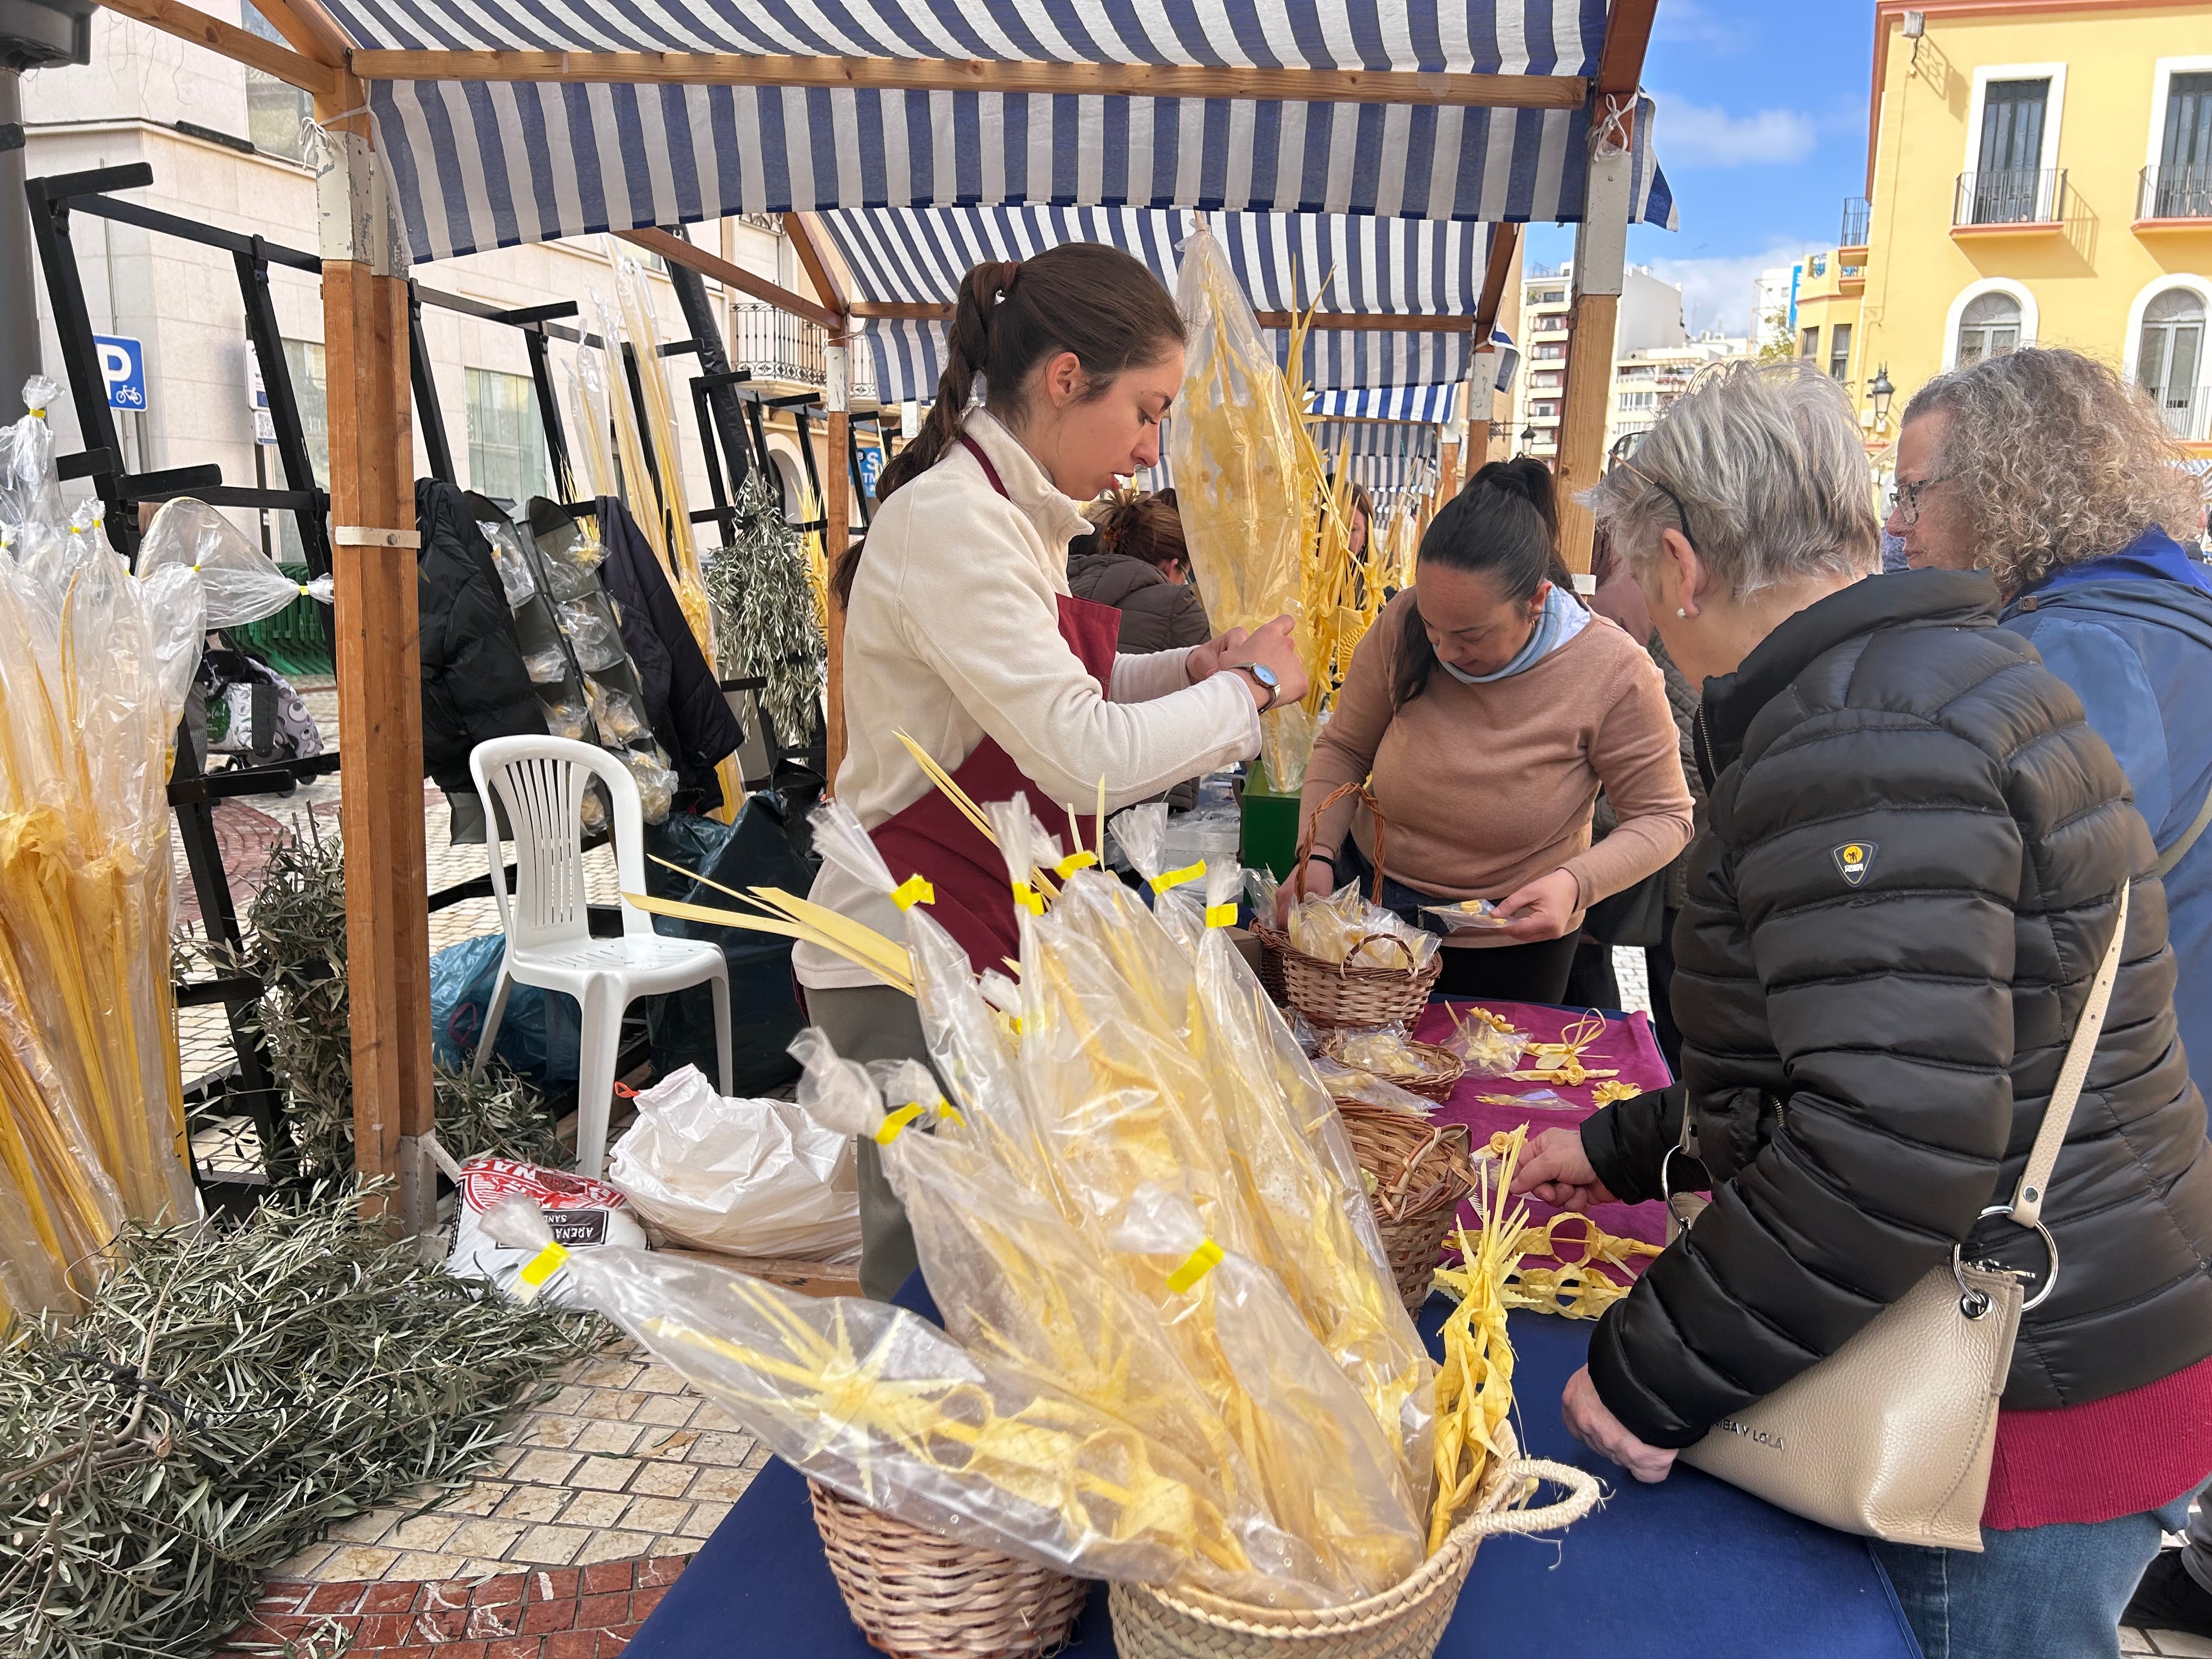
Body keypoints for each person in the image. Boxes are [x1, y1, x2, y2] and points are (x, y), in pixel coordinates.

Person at [1512, 360, 2212, 1659]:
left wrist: (1648, 1375)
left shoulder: (1861, 736)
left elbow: (1884, 1144)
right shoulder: (1937, 677)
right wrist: (1619, 1147)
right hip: (2087, 1331)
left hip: (2019, 1389)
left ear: (1683, 563)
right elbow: (1870, 1050)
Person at [802, 244, 1309, 1300]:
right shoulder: (955, 524)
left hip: (972, 925)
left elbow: (1044, 692)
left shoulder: (1006, 519)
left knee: (992, 1244)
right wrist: (1248, 695)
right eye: (1144, 408)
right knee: (935, 1261)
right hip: (904, 951)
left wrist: (1192, 666)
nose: (1148, 446)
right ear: (1066, 376)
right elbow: (1078, 756)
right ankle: (912, 1457)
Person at [1884, 346, 2212, 1638]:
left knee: (1992, 1611)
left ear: (2010, 486)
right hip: (2159, 1200)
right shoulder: (2180, 620)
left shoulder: (2069, 653)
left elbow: (1967, 949)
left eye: (1916, 494)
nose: (1902, 532)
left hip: (2071, 1241)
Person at [1284, 458, 1692, 1003]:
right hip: (1377, 926)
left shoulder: (1613, 670)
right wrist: (1316, 854)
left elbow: (1665, 817)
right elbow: (1345, 747)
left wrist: (1576, 883)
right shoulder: (1401, 623)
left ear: (1537, 602)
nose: (1446, 651)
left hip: (1514, 941)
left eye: (1471, 635)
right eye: (1432, 627)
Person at [1068, 493, 1213, 810]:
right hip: (1150, 789)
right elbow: (1211, 687)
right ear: (1173, 565)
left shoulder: (1068, 580)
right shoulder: (1178, 605)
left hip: (1075, 780)